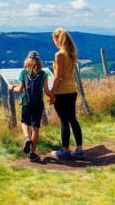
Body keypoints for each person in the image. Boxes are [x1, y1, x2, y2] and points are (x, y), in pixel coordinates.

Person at [50, 27, 85, 160]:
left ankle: (65, 150)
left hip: (62, 91)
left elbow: (57, 77)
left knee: (64, 120)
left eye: (53, 40)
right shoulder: (71, 54)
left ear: (57, 39)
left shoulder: (59, 55)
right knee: (73, 119)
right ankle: (79, 149)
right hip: (72, 90)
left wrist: (52, 93)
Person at [10, 50, 51, 162]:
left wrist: (11, 88)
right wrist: (53, 96)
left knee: (24, 122)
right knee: (35, 128)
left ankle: (27, 137)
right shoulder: (44, 74)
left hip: (26, 103)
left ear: (27, 60)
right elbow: (47, 91)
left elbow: (19, 89)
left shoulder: (23, 73)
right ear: (39, 61)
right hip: (38, 104)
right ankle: (32, 154)